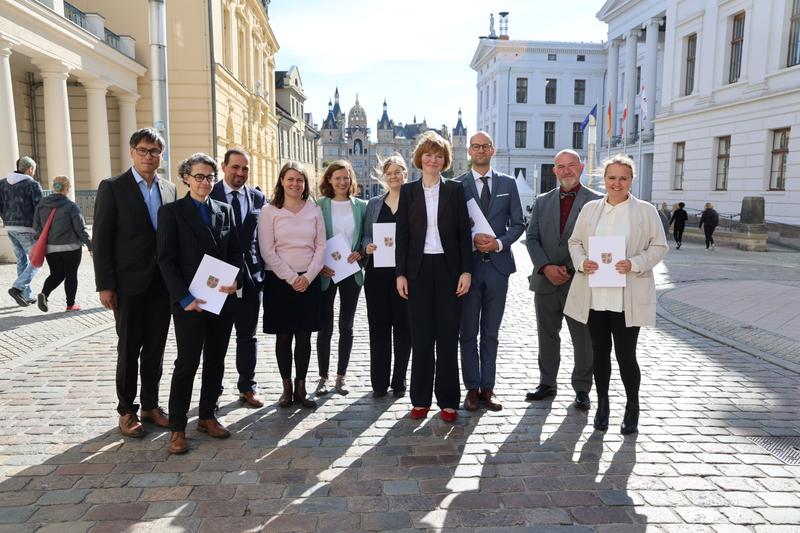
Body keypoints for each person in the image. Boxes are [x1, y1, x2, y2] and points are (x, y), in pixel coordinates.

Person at [564, 154, 668, 435]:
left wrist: (634, 263)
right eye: (612, 178)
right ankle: (603, 405)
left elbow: (659, 247)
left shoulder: (645, 211)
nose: (617, 183)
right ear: (604, 179)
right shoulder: (590, 209)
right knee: (599, 354)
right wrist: (581, 260)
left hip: (627, 295)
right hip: (595, 294)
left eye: (623, 178)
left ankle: (632, 407)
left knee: (625, 355)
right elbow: (574, 242)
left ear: (632, 180)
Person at [93, 128, 177, 438]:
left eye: (154, 151)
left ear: (161, 156)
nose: (149, 156)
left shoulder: (169, 190)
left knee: (155, 347)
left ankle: (150, 405)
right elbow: (100, 240)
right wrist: (105, 285)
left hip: (162, 284)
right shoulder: (113, 187)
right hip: (127, 284)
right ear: (132, 152)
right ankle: (126, 409)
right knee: (129, 348)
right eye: (143, 150)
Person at [157, 153, 243, 454]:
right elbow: (165, 260)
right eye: (199, 176)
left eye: (209, 177)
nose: (205, 182)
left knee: (216, 360)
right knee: (187, 363)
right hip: (190, 302)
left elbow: (235, 252)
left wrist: (237, 281)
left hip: (221, 299)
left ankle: (207, 415)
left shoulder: (224, 209)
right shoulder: (172, 213)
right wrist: (185, 298)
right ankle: (178, 428)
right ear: (186, 178)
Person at [396, 131, 472, 423]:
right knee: (422, 337)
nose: (433, 160)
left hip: (449, 270)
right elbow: (401, 235)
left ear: (445, 161)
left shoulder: (455, 190)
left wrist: (466, 270)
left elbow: (464, 235)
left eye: (439, 156)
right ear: (419, 159)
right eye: (428, 155)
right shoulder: (408, 192)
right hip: (417, 272)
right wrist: (400, 273)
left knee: (447, 337)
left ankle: (449, 400)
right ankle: (420, 399)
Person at [525, 149, 602, 410]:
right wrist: (546, 266)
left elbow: (596, 243)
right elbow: (532, 237)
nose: (566, 170)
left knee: (583, 339)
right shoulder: (542, 200)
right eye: (561, 166)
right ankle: (547, 383)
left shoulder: (597, 202)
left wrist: (569, 269)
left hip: (579, 281)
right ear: (554, 170)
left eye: (572, 165)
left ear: (581, 168)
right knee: (546, 336)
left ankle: (582, 388)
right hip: (545, 282)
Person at [456, 131, 525, 412]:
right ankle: (471, 389)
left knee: (492, 332)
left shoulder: (509, 183)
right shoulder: (457, 185)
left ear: (492, 150)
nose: (480, 150)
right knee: (468, 331)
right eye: (476, 146)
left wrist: (498, 242)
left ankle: (488, 388)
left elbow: (519, 224)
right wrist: (470, 240)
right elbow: (451, 227)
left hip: (498, 268)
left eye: (485, 146)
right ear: (469, 151)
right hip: (469, 269)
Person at [258, 161, 325, 409]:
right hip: (280, 281)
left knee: (304, 336)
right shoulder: (270, 211)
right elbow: (267, 250)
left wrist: (307, 277)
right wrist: (291, 277)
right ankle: (286, 387)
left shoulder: (314, 209)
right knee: (284, 336)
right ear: (282, 182)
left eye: (300, 180)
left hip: (309, 280)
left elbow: (321, 246)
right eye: (290, 179)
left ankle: (301, 386)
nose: (295, 184)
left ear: (305, 184)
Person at [210, 148, 267, 408]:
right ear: (223, 167)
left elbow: (261, 238)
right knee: (216, 339)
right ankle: (214, 388)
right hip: (219, 279)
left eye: (245, 169)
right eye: (235, 167)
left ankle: (247, 386)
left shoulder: (257, 197)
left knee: (248, 336)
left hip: (251, 279)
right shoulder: (210, 194)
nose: (240, 173)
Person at [315, 160, 368, 396]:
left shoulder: (361, 206)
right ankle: (323, 377)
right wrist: (318, 266)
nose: (342, 182)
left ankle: (341, 377)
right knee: (324, 327)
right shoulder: (318, 206)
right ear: (329, 180)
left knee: (346, 326)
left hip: (351, 271)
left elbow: (367, 237)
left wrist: (362, 253)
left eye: (346, 177)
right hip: (327, 272)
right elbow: (312, 239)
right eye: (337, 177)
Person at [363, 154, 411, 398]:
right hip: (377, 276)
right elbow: (365, 236)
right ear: (384, 176)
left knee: (404, 329)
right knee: (378, 329)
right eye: (389, 172)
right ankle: (379, 382)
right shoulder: (374, 204)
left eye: (397, 171)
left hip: (406, 275)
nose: (393, 176)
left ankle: (399, 379)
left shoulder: (414, 202)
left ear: (405, 173)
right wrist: (368, 245)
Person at [32, 176, 92, 312]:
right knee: (71, 275)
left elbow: (36, 227)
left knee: (56, 274)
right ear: (67, 189)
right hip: (71, 247)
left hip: (50, 248)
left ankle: (44, 293)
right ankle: (70, 305)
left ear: (54, 187)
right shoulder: (71, 206)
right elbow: (79, 228)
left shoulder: (41, 205)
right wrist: (90, 244)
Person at [0, 156, 42, 306]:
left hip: (10, 228)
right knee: (36, 261)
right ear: (30, 169)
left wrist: (6, 220)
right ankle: (18, 288)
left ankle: (26, 295)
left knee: (22, 260)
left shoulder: (2, 183)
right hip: (27, 228)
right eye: (33, 170)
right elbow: (39, 208)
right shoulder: (32, 185)